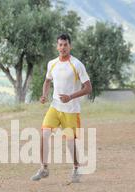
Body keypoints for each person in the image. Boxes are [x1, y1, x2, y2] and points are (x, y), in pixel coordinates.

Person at [31, 33, 92, 183]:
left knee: (70, 142)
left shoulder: (77, 64)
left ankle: (76, 168)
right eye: (60, 44)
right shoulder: (52, 63)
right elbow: (47, 81)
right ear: (57, 46)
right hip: (55, 106)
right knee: (44, 134)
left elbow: (88, 88)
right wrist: (44, 95)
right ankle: (43, 168)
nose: (62, 47)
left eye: (65, 45)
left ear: (70, 46)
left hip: (71, 110)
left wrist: (71, 97)